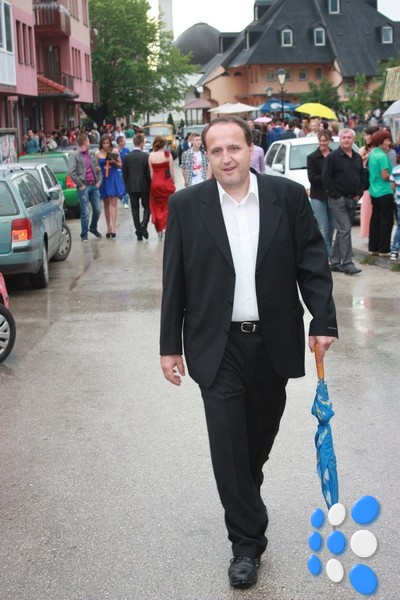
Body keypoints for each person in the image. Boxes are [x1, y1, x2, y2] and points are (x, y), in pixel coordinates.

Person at [160, 116, 337, 590]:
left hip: (271, 340)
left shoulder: (287, 197)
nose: (226, 158)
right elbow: (174, 278)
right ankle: (245, 543)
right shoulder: (187, 205)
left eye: (233, 148)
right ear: (206, 155)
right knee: (227, 445)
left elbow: (312, 262)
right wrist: (169, 346)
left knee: (256, 439)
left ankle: (245, 493)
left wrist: (323, 321)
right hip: (214, 345)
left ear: (250, 148)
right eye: (216, 151)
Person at [322, 128, 365, 275]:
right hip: (337, 200)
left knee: (342, 232)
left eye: (349, 137)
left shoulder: (357, 157)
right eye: (344, 137)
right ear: (339, 140)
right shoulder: (332, 157)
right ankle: (347, 263)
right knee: (345, 230)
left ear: (353, 140)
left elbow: (361, 176)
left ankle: (334, 262)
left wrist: (359, 193)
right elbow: (326, 178)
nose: (346, 140)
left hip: (353, 199)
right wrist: (336, 195)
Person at [68, 133, 102, 242]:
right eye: (88, 140)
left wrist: (99, 181)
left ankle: (93, 227)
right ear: (85, 142)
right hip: (84, 186)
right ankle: (84, 235)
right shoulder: (75, 155)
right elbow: (71, 172)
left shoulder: (91, 154)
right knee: (85, 212)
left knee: (97, 209)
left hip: (94, 185)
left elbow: (98, 168)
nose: (89, 142)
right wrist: (80, 184)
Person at [307, 129, 334, 260]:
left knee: (332, 226)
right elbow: (312, 178)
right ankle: (328, 257)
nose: (322, 143)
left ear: (329, 141)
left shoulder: (334, 155)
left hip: (332, 195)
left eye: (325, 140)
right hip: (317, 195)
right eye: (320, 140)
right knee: (323, 227)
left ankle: (329, 252)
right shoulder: (312, 157)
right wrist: (327, 176)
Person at [367, 129, 394, 257]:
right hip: (385, 191)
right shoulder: (383, 156)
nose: (389, 143)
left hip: (374, 191)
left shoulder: (372, 154)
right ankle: (384, 249)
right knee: (386, 221)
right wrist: (393, 177)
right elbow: (385, 175)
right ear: (381, 141)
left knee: (375, 219)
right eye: (387, 140)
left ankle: (373, 247)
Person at [122, 133, 151, 241]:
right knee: (147, 207)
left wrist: (127, 185)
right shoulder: (145, 156)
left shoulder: (126, 157)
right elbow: (148, 173)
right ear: (142, 144)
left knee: (135, 210)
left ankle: (138, 232)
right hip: (144, 186)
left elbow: (124, 174)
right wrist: (150, 184)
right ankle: (143, 225)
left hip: (131, 186)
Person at [96, 135, 125, 238]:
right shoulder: (97, 153)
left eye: (107, 143)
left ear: (110, 143)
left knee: (113, 203)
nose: (106, 145)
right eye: (104, 143)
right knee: (106, 203)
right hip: (104, 178)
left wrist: (114, 162)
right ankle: (109, 226)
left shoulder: (115, 151)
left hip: (113, 177)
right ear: (101, 144)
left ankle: (113, 228)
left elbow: (121, 165)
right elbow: (95, 166)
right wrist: (97, 169)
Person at [148, 136, 176, 240]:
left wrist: (153, 184)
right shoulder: (167, 155)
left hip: (155, 183)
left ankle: (159, 229)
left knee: (157, 206)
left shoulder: (151, 156)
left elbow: (151, 173)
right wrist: (173, 182)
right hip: (166, 182)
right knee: (167, 206)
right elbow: (171, 171)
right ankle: (164, 227)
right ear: (164, 144)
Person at [359, 126, 380, 239]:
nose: (366, 137)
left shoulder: (380, 150)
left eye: (368, 134)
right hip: (368, 184)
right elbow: (358, 163)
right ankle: (370, 234)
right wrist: (367, 156)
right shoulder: (364, 150)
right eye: (366, 135)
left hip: (378, 184)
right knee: (368, 210)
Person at [389, 162, 400, 261]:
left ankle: (394, 251)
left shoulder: (395, 169)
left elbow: (392, 186)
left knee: (399, 227)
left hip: (399, 202)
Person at [116, 136, 130, 209]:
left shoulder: (127, 150)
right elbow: (109, 161)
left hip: (125, 171)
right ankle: (122, 198)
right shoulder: (114, 151)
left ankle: (126, 202)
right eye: (124, 141)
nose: (125, 142)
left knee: (125, 187)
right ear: (120, 142)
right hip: (117, 172)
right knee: (118, 188)